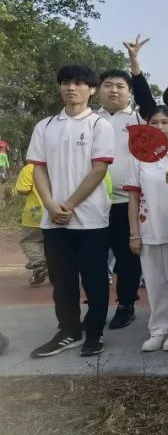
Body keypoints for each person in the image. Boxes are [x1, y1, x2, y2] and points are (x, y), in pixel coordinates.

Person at [28, 65, 115, 359]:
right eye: (65, 82)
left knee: (94, 279)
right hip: (53, 220)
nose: (71, 88)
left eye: (79, 83)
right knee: (62, 280)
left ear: (91, 89)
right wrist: (52, 205)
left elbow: (99, 169)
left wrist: (71, 204)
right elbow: (38, 169)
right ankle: (68, 330)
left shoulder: (98, 125)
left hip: (90, 218)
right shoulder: (45, 126)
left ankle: (94, 333)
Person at [99, 41, 158, 331]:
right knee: (95, 260)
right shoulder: (89, 120)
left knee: (127, 260)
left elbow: (149, 102)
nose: (113, 90)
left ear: (129, 92)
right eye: (108, 85)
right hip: (92, 203)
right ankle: (96, 307)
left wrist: (134, 64)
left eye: (120, 86)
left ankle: (126, 305)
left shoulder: (139, 118)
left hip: (126, 202)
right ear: (97, 90)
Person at [124, 105, 168, 353]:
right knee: (154, 283)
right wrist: (134, 233)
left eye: (165, 122)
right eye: (154, 122)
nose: (159, 127)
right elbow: (132, 197)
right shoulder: (137, 156)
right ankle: (158, 330)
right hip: (148, 228)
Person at [15, 162, 47, 286]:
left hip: (36, 210)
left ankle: (39, 264)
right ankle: (52, 269)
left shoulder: (30, 168)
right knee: (51, 241)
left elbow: (23, 189)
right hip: (57, 209)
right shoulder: (58, 164)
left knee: (30, 240)